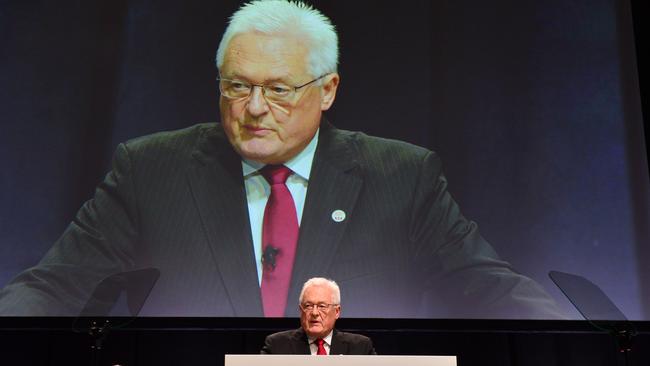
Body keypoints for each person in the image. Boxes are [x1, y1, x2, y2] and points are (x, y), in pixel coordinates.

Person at [0, 0, 564, 319]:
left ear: (328, 89)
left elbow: (490, 289)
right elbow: (53, 287)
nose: (253, 109)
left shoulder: (403, 176)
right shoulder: (150, 169)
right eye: (236, 86)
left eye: (278, 90)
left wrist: (590, 341)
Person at [261, 278, 376, 355]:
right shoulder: (277, 345)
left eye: (322, 306)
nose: (315, 313)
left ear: (337, 311)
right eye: (308, 306)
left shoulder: (361, 347)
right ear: (301, 310)